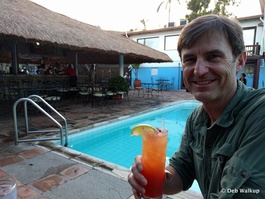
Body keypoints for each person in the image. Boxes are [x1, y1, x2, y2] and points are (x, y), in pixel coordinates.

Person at [128, 14, 265, 199]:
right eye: (190, 60)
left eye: (214, 56)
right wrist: (152, 177)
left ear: (240, 61)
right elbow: (181, 169)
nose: (199, 70)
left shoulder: (259, 114)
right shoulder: (196, 119)